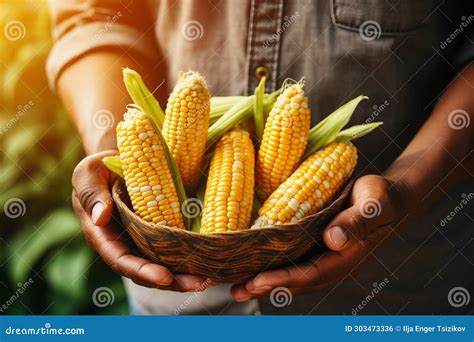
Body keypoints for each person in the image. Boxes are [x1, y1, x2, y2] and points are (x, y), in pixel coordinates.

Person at [47, 0, 473, 315]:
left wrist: (405, 187)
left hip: (395, 284)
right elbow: (93, 15)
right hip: (176, 295)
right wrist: (113, 155)